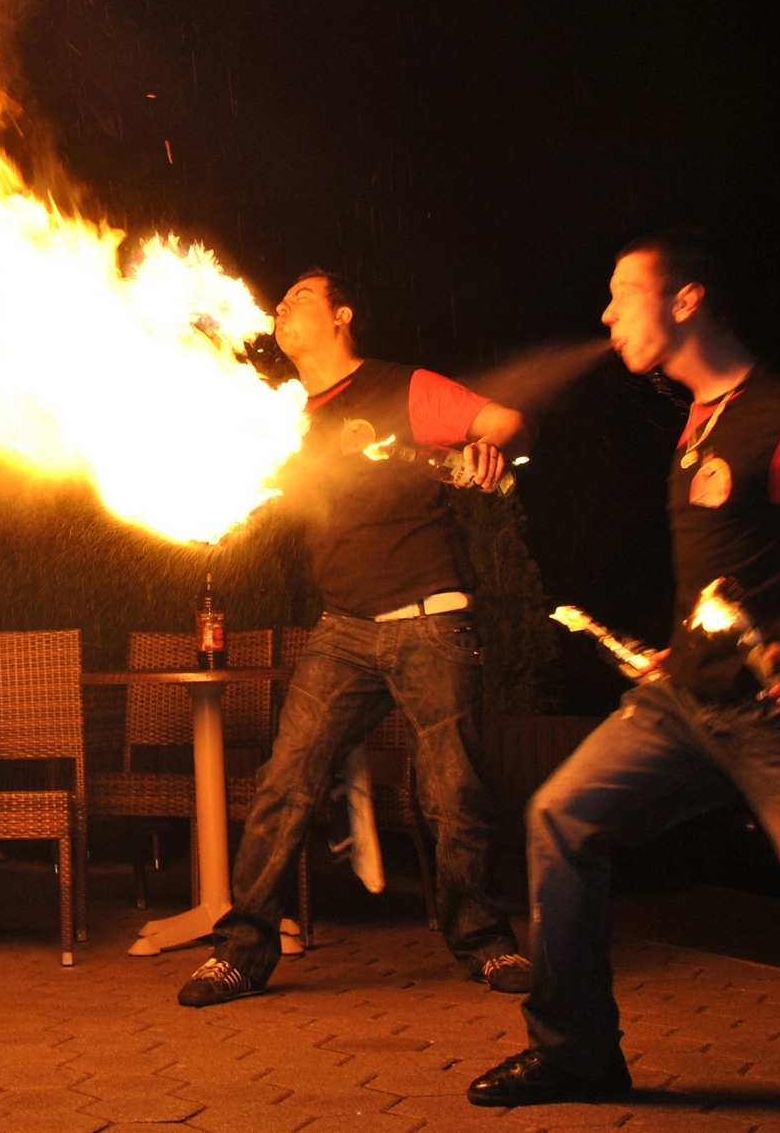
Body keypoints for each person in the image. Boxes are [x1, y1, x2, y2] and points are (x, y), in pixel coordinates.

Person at [468, 229, 780, 1106]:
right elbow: (731, 577)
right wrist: (674, 654)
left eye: (621, 292)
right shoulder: (696, 422)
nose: (605, 314)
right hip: (683, 704)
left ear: (686, 300)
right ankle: (576, 1054)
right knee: (561, 818)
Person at [177, 267, 534, 1007]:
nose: (282, 306)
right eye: (281, 301)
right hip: (342, 629)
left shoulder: (402, 387)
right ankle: (241, 953)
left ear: (342, 316)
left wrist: (489, 447)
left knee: (453, 792)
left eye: (301, 297)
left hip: (430, 616)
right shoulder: (283, 417)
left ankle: (486, 942)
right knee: (284, 783)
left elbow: (504, 421)